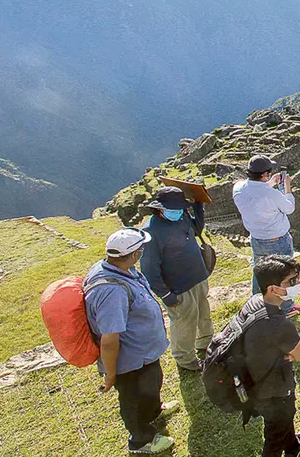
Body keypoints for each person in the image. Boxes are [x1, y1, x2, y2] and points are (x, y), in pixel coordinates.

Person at [85, 227, 176, 454]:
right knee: (133, 398)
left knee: (151, 382)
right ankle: (141, 440)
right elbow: (109, 338)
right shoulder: (111, 291)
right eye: (140, 250)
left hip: (143, 352)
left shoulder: (120, 269)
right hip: (130, 359)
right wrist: (111, 372)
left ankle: (155, 411)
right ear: (135, 254)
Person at [243, 255, 300, 457]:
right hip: (273, 390)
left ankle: (292, 445)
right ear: (272, 288)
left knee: (283, 419)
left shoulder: (254, 302)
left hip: (254, 378)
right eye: (291, 281)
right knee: (273, 436)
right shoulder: (279, 324)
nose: (297, 283)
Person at [140, 187, 214, 372]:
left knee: (203, 314)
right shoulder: (151, 232)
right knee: (184, 323)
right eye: (174, 209)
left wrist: (198, 205)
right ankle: (185, 360)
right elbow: (149, 269)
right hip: (178, 287)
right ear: (159, 209)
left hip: (197, 277)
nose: (177, 212)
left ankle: (206, 343)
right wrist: (165, 294)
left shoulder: (182, 216)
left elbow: (196, 229)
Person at [233, 154, 300, 317]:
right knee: (285, 274)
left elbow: (257, 195)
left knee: (259, 272)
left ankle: (257, 306)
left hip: (256, 239)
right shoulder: (271, 194)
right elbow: (289, 208)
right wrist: (287, 187)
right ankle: (286, 308)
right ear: (265, 174)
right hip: (277, 240)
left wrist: (269, 184)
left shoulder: (238, 188)